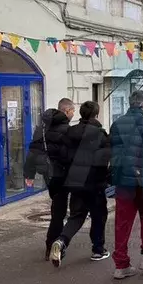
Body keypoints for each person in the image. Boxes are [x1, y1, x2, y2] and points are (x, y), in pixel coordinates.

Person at [48, 101, 111, 267]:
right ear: (96, 115)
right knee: (99, 216)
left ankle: (61, 241)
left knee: (77, 216)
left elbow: (63, 157)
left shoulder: (70, 132)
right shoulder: (100, 134)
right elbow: (105, 161)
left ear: (81, 114)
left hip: (75, 182)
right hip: (95, 185)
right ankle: (98, 249)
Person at [110, 90, 143, 279]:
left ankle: (121, 266)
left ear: (130, 104)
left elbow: (112, 152)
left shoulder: (116, 123)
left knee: (122, 223)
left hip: (123, 181)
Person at [24, 98, 75, 260]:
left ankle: (52, 245)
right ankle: (55, 244)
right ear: (66, 111)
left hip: (48, 173)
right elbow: (70, 155)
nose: (73, 114)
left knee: (58, 209)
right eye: (73, 111)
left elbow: (32, 151)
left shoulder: (41, 128)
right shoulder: (67, 130)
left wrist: (29, 174)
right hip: (63, 174)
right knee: (62, 211)